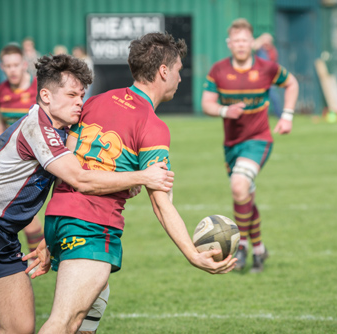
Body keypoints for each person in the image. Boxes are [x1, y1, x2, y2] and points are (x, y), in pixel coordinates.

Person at [0, 53, 174, 334]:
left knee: (19, 330)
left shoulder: (66, 131)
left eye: (82, 95)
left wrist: (122, 182)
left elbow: (93, 167)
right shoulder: (38, 126)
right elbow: (80, 178)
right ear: (45, 95)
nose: (79, 102)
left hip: (7, 235)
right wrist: (143, 176)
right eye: (71, 95)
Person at [37, 32, 237, 334]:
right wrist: (193, 255)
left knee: (91, 308)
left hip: (60, 216)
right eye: (179, 70)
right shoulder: (152, 126)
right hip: (91, 225)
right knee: (62, 322)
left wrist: (51, 230)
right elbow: (160, 202)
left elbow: (68, 164)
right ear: (164, 71)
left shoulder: (94, 102)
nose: (181, 79)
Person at [201, 18, 299, 273]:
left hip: (259, 140)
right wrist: (224, 110)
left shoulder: (267, 68)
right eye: (236, 41)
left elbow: (292, 83)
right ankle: (259, 249)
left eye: (245, 40)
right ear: (229, 43)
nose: (241, 45)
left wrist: (287, 115)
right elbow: (207, 103)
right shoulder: (219, 70)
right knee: (245, 196)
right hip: (231, 145)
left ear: (251, 42)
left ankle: (241, 245)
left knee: (238, 186)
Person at [0, 44, 45, 258]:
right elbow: (2, 123)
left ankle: (39, 255)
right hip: (11, 161)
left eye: (16, 65)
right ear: (2, 67)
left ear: (25, 65)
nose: (13, 69)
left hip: (36, 161)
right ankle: (40, 255)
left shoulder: (38, 89)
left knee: (22, 213)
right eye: (8, 66)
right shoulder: (1, 91)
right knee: (21, 213)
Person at [253, 33, 283, 117]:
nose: (266, 42)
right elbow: (253, 45)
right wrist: (261, 39)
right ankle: (258, 114)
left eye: (268, 40)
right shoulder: (260, 49)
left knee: (274, 97)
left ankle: (279, 115)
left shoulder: (272, 50)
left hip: (269, 76)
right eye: (265, 40)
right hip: (260, 76)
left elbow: (272, 64)